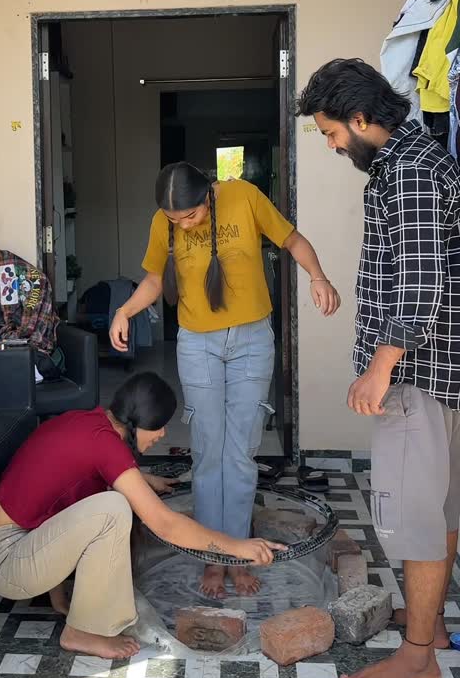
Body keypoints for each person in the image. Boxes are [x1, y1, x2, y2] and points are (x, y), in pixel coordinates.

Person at [297, 57, 460, 678]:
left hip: (417, 373)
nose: (333, 146)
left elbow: (419, 283)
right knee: (440, 508)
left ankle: (417, 658)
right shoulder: (414, 159)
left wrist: (378, 369)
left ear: (361, 119)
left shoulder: (410, 169)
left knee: (413, 517)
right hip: (440, 371)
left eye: (332, 133)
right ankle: (431, 630)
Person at [109, 162, 339, 599]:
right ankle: (213, 557)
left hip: (252, 340)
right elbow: (155, 278)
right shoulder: (163, 222)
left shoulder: (244, 197)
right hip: (198, 344)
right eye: (175, 220)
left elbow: (291, 239)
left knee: (240, 451)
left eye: (191, 216)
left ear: (208, 196)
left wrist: (318, 276)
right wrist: (125, 311)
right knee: (207, 450)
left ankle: (238, 554)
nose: (183, 225)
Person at [0, 371, 285, 660]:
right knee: (114, 508)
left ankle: (83, 612)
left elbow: (57, 497)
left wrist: (139, 479)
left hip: (14, 545)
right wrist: (236, 546)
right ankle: (82, 632)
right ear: (139, 421)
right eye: (158, 425)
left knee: (115, 498)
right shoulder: (105, 446)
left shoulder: (90, 423)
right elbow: (165, 524)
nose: (163, 433)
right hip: (7, 562)